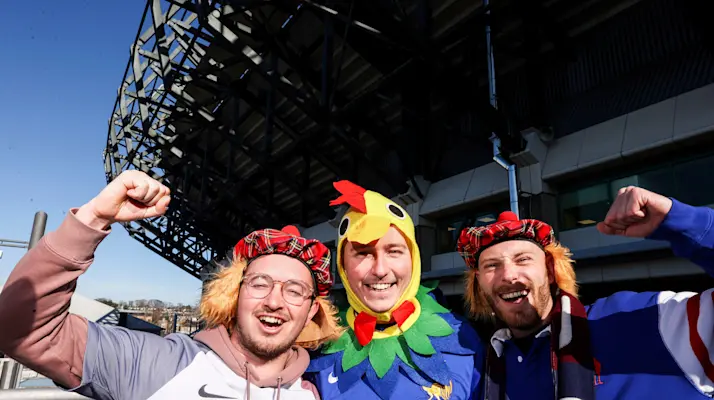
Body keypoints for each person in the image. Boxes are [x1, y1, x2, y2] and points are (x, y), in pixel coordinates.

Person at [0, 170, 344, 400]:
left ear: (312, 309)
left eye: (295, 290)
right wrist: (94, 218)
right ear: (234, 294)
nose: (274, 301)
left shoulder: (316, 392)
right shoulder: (153, 364)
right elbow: (22, 331)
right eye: (260, 283)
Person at [457, 185, 714, 400]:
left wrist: (685, 222)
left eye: (523, 259)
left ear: (549, 269)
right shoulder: (481, 368)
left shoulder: (642, 322)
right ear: (479, 283)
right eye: (492, 265)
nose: (509, 275)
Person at [305, 180, 483, 399]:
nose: (380, 270)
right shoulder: (315, 347)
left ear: (413, 259)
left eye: (394, 251)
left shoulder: (462, 337)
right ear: (342, 265)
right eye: (362, 253)